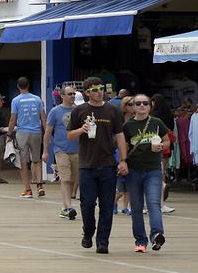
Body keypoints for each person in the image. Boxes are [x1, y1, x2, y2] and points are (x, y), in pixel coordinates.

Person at [67, 77, 128, 255]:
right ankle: (88, 232)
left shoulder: (112, 110)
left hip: (108, 163)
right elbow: (70, 135)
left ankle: (103, 241)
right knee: (87, 204)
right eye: (94, 89)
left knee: (107, 205)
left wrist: (123, 159)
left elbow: (120, 135)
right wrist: (81, 130)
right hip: (87, 164)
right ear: (86, 93)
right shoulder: (79, 111)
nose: (99, 92)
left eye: (101, 88)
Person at [122, 94, 169, 253]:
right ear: (132, 107)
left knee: (154, 204)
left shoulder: (157, 123)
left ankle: (157, 235)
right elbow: (123, 147)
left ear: (150, 106)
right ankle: (140, 240)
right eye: (138, 103)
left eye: (145, 103)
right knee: (136, 207)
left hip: (153, 169)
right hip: (134, 169)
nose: (142, 106)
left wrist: (161, 145)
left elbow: (167, 140)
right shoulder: (127, 126)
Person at [7, 77, 47, 198]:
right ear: (29, 85)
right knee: (36, 160)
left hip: (22, 133)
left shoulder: (16, 100)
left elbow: (13, 119)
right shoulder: (37, 99)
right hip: (36, 132)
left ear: (18, 87)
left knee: (23, 161)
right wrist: (46, 133)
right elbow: (43, 117)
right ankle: (39, 185)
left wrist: (9, 134)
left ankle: (28, 190)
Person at [44, 86, 79, 220]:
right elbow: (48, 132)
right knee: (65, 178)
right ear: (62, 96)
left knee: (73, 179)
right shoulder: (55, 111)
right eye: (69, 94)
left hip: (76, 149)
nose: (72, 96)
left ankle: (64, 207)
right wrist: (45, 151)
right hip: (60, 149)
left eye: (74, 94)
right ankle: (68, 207)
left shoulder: (78, 110)